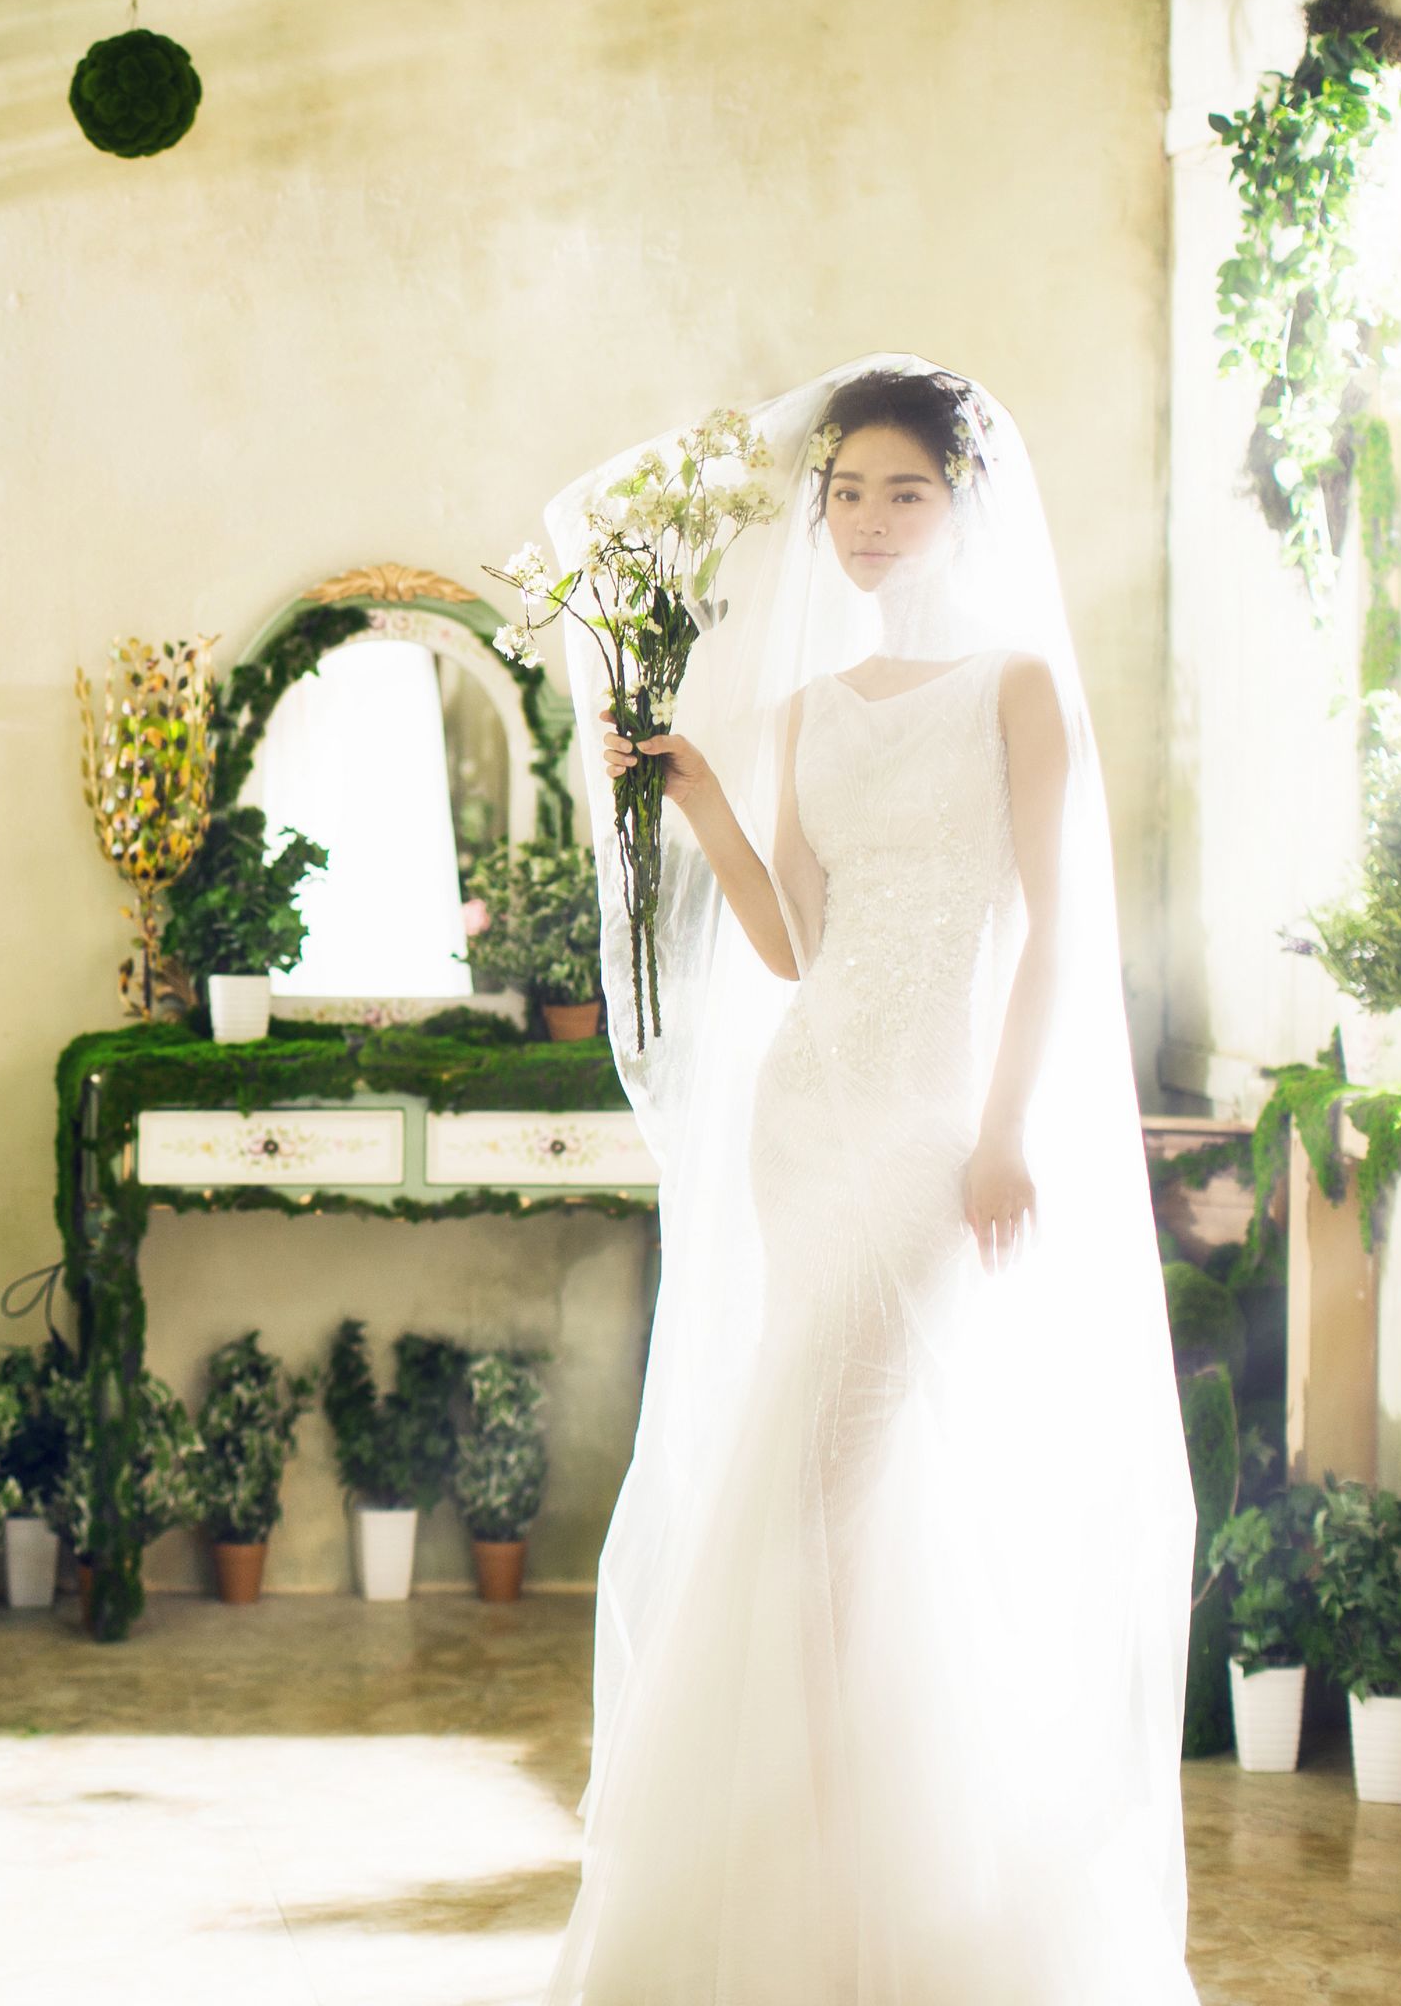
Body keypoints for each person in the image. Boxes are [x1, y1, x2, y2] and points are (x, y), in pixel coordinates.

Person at [537, 360, 1197, 2004]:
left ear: (963, 505)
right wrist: (701, 801)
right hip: (811, 1114)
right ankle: (805, 1859)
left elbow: (1057, 933)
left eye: (905, 492)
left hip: (930, 1128)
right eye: (847, 495)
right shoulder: (810, 709)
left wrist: (1004, 1129)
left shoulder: (1017, 688)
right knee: (822, 1470)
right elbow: (797, 944)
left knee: (827, 1471)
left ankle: (849, 1862)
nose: (872, 522)